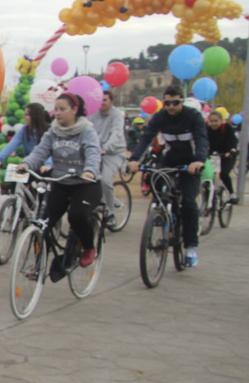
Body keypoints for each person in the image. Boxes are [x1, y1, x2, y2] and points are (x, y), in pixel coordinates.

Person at [127, 85, 208, 266]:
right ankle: (162, 214)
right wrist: (134, 159)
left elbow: (202, 139)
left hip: (191, 163)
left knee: (188, 202)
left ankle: (190, 248)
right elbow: (146, 138)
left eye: (175, 102)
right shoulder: (160, 117)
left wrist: (199, 160)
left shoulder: (193, 117)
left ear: (182, 101)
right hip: (170, 160)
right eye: (167, 103)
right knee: (157, 183)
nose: (171, 106)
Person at [19, 93, 102, 268]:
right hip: (61, 183)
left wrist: (89, 172)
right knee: (43, 222)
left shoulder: (87, 131)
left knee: (77, 215)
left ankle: (88, 247)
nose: (57, 113)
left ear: (74, 110)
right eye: (56, 109)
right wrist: (26, 164)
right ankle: (39, 264)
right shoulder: (52, 132)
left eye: (62, 109)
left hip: (85, 184)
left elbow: (93, 153)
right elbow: (40, 152)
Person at [91, 92, 127, 225]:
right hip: (96, 152)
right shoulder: (93, 115)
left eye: (105, 100)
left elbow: (116, 132)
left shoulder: (117, 115)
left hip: (113, 152)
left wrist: (106, 147)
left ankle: (110, 214)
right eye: (100, 100)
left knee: (105, 180)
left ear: (111, 101)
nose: (102, 103)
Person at [207, 111, 238, 197]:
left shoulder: (226, 127)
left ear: (221, 121)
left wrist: (232, 150)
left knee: (223, 174)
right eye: (211, 121)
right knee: (209, 174)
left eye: (216, 121)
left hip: (227, 155)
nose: (213, 123)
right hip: (214, 156)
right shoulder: (208, 129)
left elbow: (233, 140)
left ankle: (232, 193)